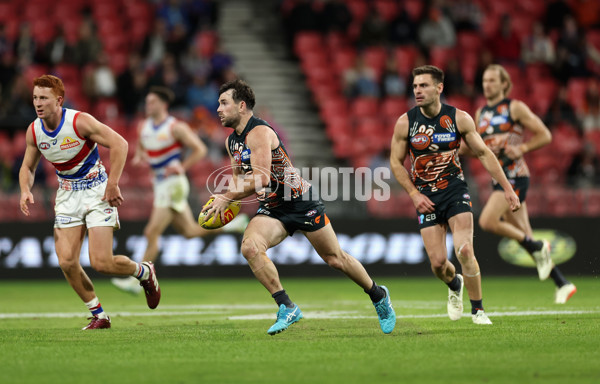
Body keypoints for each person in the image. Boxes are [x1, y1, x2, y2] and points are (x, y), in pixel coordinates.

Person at [202, 79, 395, 335]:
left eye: (224, 103)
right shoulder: (231, 142)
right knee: (250, 247)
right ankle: (286, 306)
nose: (218, 108)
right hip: (272, 208)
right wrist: (230, 203)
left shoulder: (259, 131)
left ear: (241, 105)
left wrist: (225, 196)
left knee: (335, 259)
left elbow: (261, 177)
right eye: (218, 103)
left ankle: (378, 295)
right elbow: (240, 178)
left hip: (300, 201)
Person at [19, 75, 160, 330]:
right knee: (66, 262)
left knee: (101, 263)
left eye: (43, 98)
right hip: (66, 196)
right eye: (35, 98)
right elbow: (27, 166)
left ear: (59, 100)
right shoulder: (34, 130)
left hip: (97, 191)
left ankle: (144, 272)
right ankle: (100, 315)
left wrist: (113, 183)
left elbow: (120, 143)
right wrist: (24, 189)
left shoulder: (78, 121)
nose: (37, 103)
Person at [390, 65, 521, 325]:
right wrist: (414, 195)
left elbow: (484, 153)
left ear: (439, 88)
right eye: (415, 86)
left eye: (424, 85)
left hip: (454, 190)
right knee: (439, 264)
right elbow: (395, 162)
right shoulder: (406, 122)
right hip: (425, 197)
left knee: (464, 250)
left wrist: (507, 188)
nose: (418, 90)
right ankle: (454, 284)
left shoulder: (459, 118)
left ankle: (478, 310)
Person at [111, 86, 248, 294]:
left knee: (151, 232)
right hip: (160, 184)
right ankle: (232, 225)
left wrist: (181, 167)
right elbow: (142, 148)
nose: (148, 105)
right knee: (190, 231)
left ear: (163, 105)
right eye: (147, 102)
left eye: (152, 102)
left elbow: (200, 149)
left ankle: (138, 280)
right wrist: (140, 156)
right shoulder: (143, 126)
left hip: (173, 184)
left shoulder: (176, 127)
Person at [472, 64, 577, 304]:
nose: (486, 84)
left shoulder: (514, 107)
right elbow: (479, 149)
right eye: (484, 80)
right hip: (498, 177)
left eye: (492, 80)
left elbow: (545, 134)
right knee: (525, 237)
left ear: (504, 84)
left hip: (516, 175)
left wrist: (523, 147)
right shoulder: (480, 114)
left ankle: (538, 245)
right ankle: (563, 283)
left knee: (487, 221)